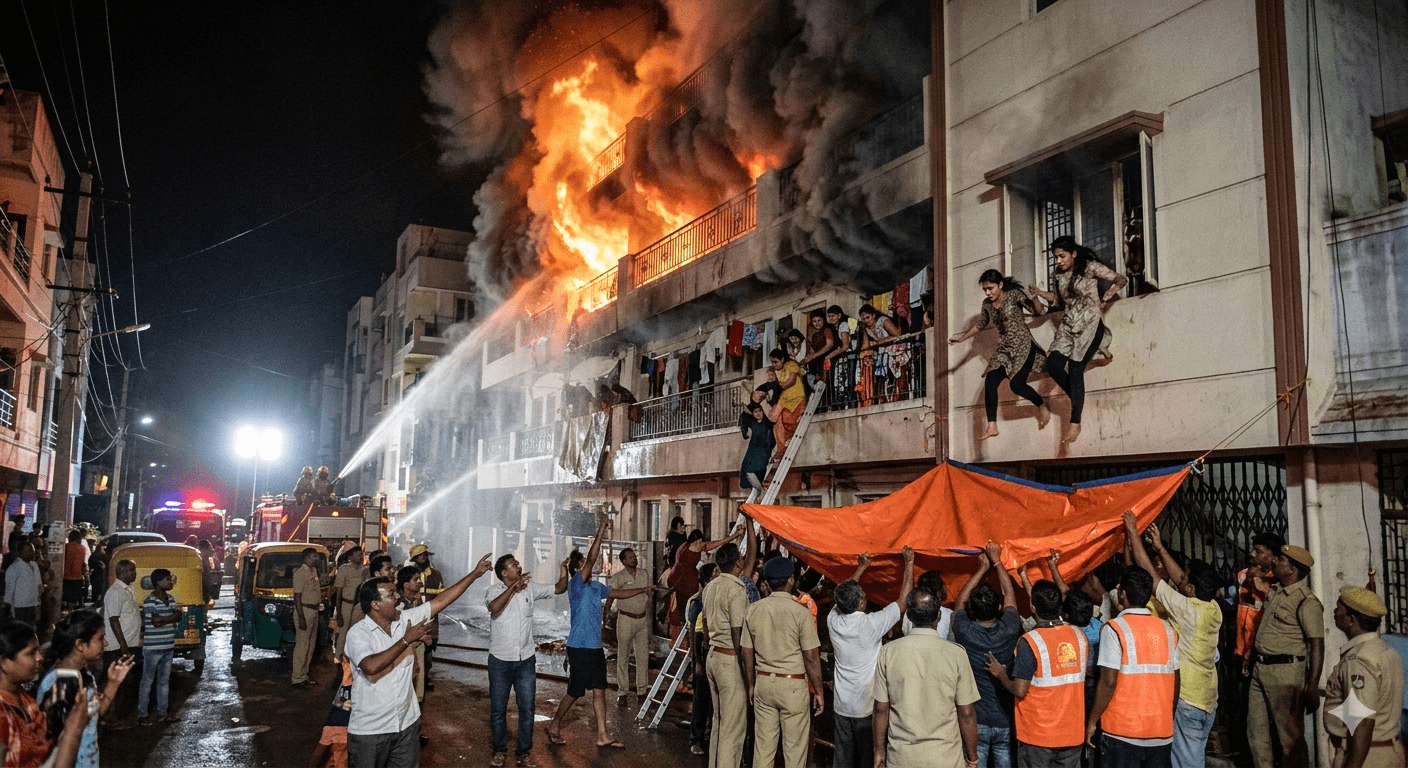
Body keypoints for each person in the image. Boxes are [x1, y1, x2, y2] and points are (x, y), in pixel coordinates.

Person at [345, 551, 493, 768]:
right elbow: (370, 666)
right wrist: (406, 641)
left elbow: (442, 600)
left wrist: (475, 574)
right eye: (391, 595)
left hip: (406, 724)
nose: (398, 598)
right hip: (372, 730)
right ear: (375, 605)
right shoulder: (359, 633)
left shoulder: (404, 619)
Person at [1123, 512, 1224, 768]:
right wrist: (1158, 547)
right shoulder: (1212, 608)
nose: (1181, 580)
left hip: (1188, 700)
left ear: (1191, 590)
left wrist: (1134, 533)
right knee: (1193, 758)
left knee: (1185, 763)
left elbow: (1151, 575)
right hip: (1207, 700)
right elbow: (1182, 580)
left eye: (1185, 580)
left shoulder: (1188, 611)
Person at [548, 517, 654, 748]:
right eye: (585, 562)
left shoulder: (596, 587)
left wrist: (642, 590)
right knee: (575, 691)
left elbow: (617, 594)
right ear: (578, 568)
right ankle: (554, 724)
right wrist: (602, 529)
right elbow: (594, 555)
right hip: (578, 645)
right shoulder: (576, 583)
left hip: (594, 647)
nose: (590, 564)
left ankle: (603, 735)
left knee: (599, 690)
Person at [1028, 235, 1126, 444]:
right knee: (1053, 365)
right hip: (1069, 324)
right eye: (1055, 257)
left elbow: (1120, 279)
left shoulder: (1089, 267)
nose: (1058, 261)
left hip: (1090, 324)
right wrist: (1040, 293)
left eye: (1062, 256)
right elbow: (1059, 301)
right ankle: (1076, 398)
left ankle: (1075, 422)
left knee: (1074, 368)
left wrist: (1112, 290)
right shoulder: (1058, 275)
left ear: (1073, 253)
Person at [872, 587, 980, 768]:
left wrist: (879, 750)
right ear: (939, 616)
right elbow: (967, 713)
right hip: (946, 758)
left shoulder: (888, 652)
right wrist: (972, 757)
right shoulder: (956, 655)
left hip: (902, 757)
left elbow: (881, 709)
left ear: (908, 616)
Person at [1084, 566, 1180, 767]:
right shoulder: (1168, 630)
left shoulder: (1114, 629)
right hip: (1161, 731)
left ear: (1123, 594)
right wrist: (1166, 715)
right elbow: (1176, 680)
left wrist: (1093, 721)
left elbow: (1108, 682)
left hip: (1122, 732)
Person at [985, 578, 1086, 768]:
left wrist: (1001, 674)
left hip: (1038, 737)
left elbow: (1019, 689)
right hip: (1072, 734)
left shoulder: (1031, 641)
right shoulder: (1079, 636)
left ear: (1032, 607)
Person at [828, 548, 914, 768]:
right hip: (867, 709)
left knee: (844, 761)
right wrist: (909, 563)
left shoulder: (833, 621)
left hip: (841, 706)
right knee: (869, 760)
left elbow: (842, 595)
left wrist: (861, 567)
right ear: (861, 604)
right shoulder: (871, 625)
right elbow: (903, 601)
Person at [741, 557, 824, 768]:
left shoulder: (753, 610)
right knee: (794, 753)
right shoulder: (800, 612)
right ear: (791, 581)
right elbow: (811, 658)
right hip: (793, 686)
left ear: (767, 583)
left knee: (763, 751)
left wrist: (751, 685)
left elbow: (746, 653)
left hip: (764, 683)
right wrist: (818, 691)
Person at [948, 270, 1051, 439]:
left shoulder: (1014, 295)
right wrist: (961, 339)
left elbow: (1038, 312)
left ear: (1000, 285)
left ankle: (1041, 405)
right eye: (985, 290)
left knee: (1016, 385)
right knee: (990, 380)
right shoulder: (987, 304)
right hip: (1004, 349)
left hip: (1023, 345)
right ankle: (992, 426)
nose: (988, 293)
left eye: (991, 288)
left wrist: (1035, 299)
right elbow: (980, 325)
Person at [1247, 544, 1324, 768]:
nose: (1275, 562)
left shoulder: (1305, 601)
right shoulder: (1276, 591)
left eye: (1280, 560)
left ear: (1292, 570)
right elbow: (1254, 576)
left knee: (1290, 739)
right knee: (1256, 733)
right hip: (1261, 669)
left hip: (1285, 674)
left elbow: (1317, 643)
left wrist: (1312, 685)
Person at [485, 553, 562, 768]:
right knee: (498, 710)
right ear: (504, 573)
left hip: (525, 660)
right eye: (513, 565)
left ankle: (523, 753)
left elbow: (558, 588)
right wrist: (513, 589)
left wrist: (564, 570)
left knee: (527, 709)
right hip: (500, 660)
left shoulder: (530, 588)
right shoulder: (494, 591)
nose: (519, 566)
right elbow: (494, 608)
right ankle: (499, 751)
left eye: (518, 563)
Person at [952, 541, 1022, 768]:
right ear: (1000, 608)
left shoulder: (966, 632)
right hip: (1005, 720)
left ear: (972, 610)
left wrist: (980, 569)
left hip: (975, 722)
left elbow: (960, 602)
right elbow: (1009, 593)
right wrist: (998, 561)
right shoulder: (1010, 628)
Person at [38, 610, 136, 768]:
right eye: (101, 638)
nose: (105, 643)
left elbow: (94, 716)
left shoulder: (83, 676)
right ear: (80, 645)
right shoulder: (59, 684)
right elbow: (51, 747)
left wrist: (113, 683)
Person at [1325, 586, 1403, 768]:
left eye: (1339, 610)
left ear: (1351, 620)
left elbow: (1362, 722)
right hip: (1388, 750)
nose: (1335, 613)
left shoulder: (1359, 660)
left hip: (1365, 757)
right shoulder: (1386, 650)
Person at [0, 619, 93, 768]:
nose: (39, 657)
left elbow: (41, 751)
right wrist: (73, 732)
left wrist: (52, 714)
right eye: (31, 653)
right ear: (4, 662)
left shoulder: (24, 699)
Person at [703, 540, 751, 768]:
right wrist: (746, 671)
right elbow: (737, 632)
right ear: (738, 563)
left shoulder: (711, 586)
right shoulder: (736, 589)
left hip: (713, 654)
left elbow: (704, 624)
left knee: (719, 722)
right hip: (730, 658)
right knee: (732, 728)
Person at [670, 525, 744, 635]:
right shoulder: (695, 547)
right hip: (686, 581)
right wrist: (735, 535)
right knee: (690, 608)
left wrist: (734, 535)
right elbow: (716, 544)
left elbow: (715, 543)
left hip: (679, 578)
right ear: (698, 540)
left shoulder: (684, 546)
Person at [605, 546, 652, 705]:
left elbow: (648, 595)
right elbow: (610, 598)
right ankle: (622, 692)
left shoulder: (644, 574)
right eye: (631, 557)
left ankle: (642, 691)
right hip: (625, 619)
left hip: (642, 619)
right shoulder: (618, 577)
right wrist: (604, 618)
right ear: (624, 561)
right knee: (623, 656)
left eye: (635, 556)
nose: (634, 559)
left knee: (642, 656)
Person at [138, 568, 185, 725]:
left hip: (167, 647)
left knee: (163, 681)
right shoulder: (149, 601)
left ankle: (162, 713)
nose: (170, 582)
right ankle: (143, 714)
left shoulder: (170, 599)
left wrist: (166, 618)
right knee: (148, 680)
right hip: (152, 647)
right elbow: (155, 622)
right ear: (158, 582)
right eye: (167, 579)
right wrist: (173, 617)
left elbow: (165, 619)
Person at [1237, 532, 1283, 676]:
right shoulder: (1243, 575)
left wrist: (1258, 579)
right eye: (1253, 549)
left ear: (1273, 557)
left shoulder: (1278, 582)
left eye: (1258, 551)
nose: (1252, 554)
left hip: (1263, 653)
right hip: (1240, 650)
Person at [101, 559, 140, 728]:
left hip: (128, 644)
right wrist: (123, 645)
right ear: (122, 572)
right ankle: (111, 717)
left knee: (125, 682)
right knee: (115, 683)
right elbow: (113, 620)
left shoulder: (128, 589)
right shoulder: (115, 592)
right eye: (132, 570)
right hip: (117, 647)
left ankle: (116, 715)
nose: (135, 573)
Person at [687, 562, 719, 755]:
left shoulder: (715, 596)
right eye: (715, 573)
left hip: (712, 653)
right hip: (702, 654)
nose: (719, 575)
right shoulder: (699, 600)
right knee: (701, 699)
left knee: (713, 700)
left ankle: (709, 736)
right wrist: (697, 660)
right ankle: (697, 739)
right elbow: (693, 630)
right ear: (707, 579)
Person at [408, 544, 444, 687]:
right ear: (415, 559)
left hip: (431, 618)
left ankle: (424, 677)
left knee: (428, 651)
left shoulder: (436, 574)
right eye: (421, 556)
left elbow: (441, 595)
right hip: (413, 617)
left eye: (425, 555)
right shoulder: (409, 574)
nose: (424, 557)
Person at [394, 566, 428, 703]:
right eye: (416, 579)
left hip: (417, 647)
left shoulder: (416, 600)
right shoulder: (399, 604)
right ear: (406, 585)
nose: (420, 582)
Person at [768, 348, 807, 459]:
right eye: (772, 362)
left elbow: (789, 383)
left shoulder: (791, 365)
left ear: (782, 359)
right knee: (774, 420)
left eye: (776, 362)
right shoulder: (783, 370)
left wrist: (777, 381)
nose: (774, 365)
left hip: (795, 398)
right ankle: (781, 447)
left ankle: (783, 445)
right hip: (786, 399)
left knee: (784, 419)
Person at [292, 547, 323, 686]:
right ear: (305, 558)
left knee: (310, 646)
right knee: (302, 646)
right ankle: (297, 677)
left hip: (314, 611)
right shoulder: (300, 573)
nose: (316, 559)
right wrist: (301, 618)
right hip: (304, 611)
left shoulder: (314, 571)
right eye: (313, 557)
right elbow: (297, 597)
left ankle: (304, 675)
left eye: (317, 556)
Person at [332, 547, 365, 661]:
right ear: (350, 558)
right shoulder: (344, 569)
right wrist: (339, 612)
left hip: (360, 606)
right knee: (343, 632)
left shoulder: (365, 570)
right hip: (346, 604)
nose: (360, 557)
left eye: (361, 554)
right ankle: (338, 657)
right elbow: (338, 592)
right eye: (357, 555)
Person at [738, 401, 776, 491]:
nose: (758, 413)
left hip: (763, 451)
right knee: (746, 472)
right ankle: (760, 490)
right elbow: (746, 413)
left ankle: (761, 491)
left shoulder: (767, 423)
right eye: (756, 412)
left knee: (754, 470)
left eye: (760, 411)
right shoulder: (753, 422)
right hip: (752, 451)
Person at [4, 542, 41, 625]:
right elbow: (10, 589)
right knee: (20, 628)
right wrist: (9, 607)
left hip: (32, 603)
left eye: (32, 550)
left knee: (30, 627)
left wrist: (38, 603)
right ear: (20, 552)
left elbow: (38, 584)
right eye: (28, 551)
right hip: (20, 605)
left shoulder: (34, 565)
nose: (32, 553)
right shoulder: (14, 567)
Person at [802, 309, 837, 379]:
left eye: (819, 320)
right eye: (814, 321)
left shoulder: (827, 329)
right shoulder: (814, 336)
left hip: (829, 362)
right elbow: (812, 351)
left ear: (823, 319)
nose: (817, 323)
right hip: (818, 366)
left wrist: (812, 356)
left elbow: (829, 345)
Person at [62, 531, 88, 612]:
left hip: (65, 576)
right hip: (77, 577)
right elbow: (83, 563)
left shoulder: (65, 547)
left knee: (64, 597)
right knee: (72, 599)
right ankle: (70, 614)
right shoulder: (82, 548)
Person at [86, 541, 106, 608]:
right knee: (99, 590)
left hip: (95, 575)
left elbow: (90, 564)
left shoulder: (93, 555)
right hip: (99, 575)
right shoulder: (103, 556)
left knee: (96, 591)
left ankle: (95, 602)